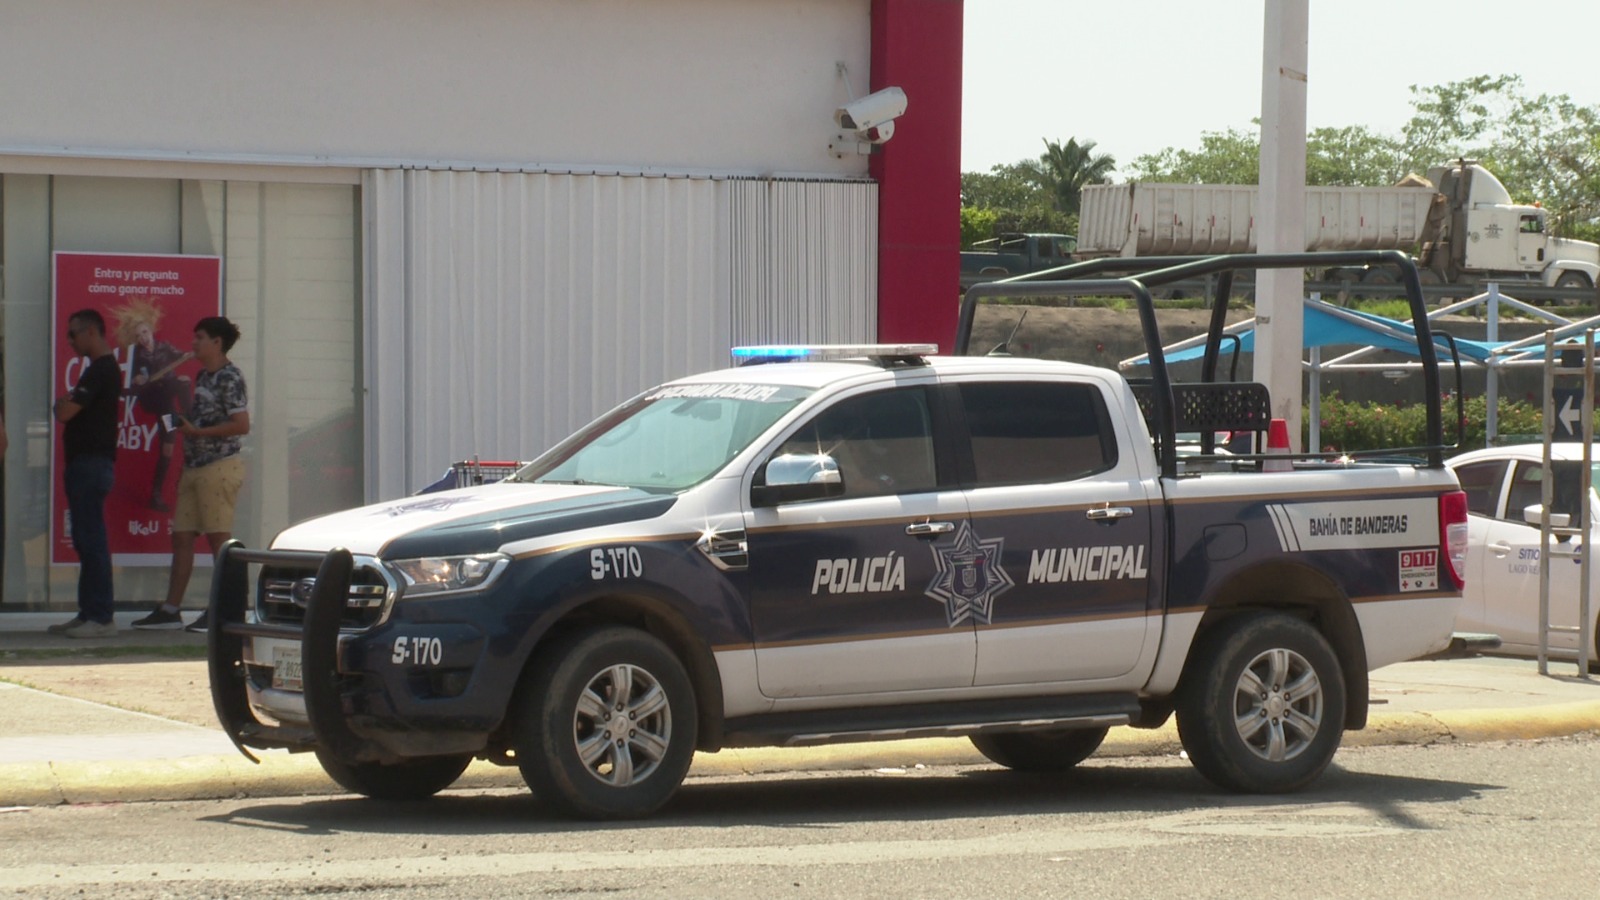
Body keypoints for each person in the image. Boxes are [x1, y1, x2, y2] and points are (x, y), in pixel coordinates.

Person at [132, 317, 249, 632]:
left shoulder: (230, 377)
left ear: (217, 343)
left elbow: (242, 425)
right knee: (182, 536)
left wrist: (198, 431)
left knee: (218, 541)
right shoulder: (201, 375)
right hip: (194, 466)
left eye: (200, 337)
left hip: (219, 466)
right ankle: (171, 609)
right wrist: (178, 421)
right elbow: (199, 416)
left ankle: (223, 611)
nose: (193, 343)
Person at [48, 310, 122, 638]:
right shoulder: (96, 370)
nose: (71, 341)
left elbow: (65, 411)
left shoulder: (101, 370)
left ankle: (101, 616)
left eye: (73, 334)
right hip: (85, 464)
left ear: (91, 332)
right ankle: (87, 611)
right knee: (83, 538)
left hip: (92, 465)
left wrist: (61, 404)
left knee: (91, 539)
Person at [112, 298, 193, 511]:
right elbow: (135, 379)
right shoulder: (137, 357)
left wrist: (187, 355)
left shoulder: (164, 347)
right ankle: (186, 419)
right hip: (154, 399)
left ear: (151, 331)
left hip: (168, 399)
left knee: (167, 447)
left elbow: (180, 356)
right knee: (170, 403)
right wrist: (137, 379)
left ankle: (188, 417)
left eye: (145, 333)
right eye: (138, 336)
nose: (143, 338)